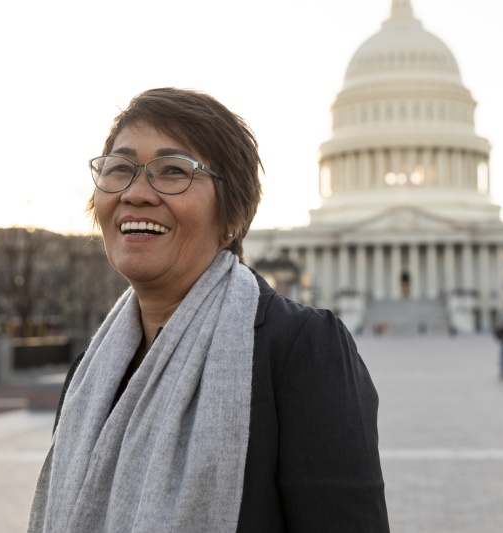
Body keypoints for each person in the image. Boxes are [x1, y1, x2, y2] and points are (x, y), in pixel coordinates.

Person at [28, 88, 390, 532]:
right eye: (120, 169)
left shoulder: (300, 350)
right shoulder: (89, 374)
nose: (137, 193)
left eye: (173, 171)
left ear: (234, 216)